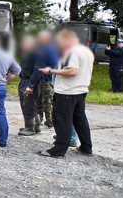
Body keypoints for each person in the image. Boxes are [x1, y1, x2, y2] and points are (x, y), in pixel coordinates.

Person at [38, 29, 94, 158]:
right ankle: (86, 147)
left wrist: (51, 71)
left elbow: (72, 71)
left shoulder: (71, 52)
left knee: (62, 120)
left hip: (67, 91)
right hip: (81, 89)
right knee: (80, 120)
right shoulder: (86, 51)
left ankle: (58, 150)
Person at [17, 35, 45, 136]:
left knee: (28, 104)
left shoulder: (37, 53)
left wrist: (31, 85)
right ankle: (36, 126)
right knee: (28, 104)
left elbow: (38, 69)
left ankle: (30, 128)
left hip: (31, 81)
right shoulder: (27, 53)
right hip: (24, 80)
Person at [37, 30, 58, 128]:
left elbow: (54, 64)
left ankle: (50, 120)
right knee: (40, 99)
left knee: (47, 101)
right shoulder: (41, 48)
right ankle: (39, 119)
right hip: (40, 78)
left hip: (46, 78)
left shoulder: (50, 49)